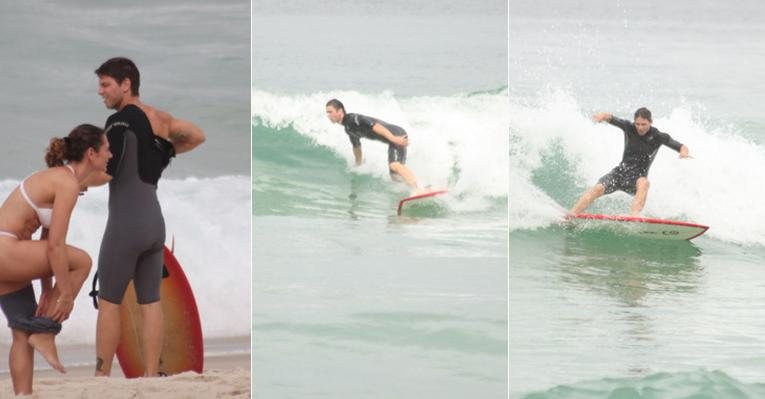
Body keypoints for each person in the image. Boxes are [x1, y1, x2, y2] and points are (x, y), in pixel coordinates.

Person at [91, 57, 205, 377]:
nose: (100, 92)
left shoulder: (119, 121)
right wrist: (165, 151)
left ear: (125, 84)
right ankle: (151, 375)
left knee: (109, 301)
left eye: (105, 85)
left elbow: (107, 171)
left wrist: (76, 181)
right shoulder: (161, 119)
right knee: (150, 301)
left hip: (126, 224)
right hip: (154, 224)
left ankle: (101, 377)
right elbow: (197, 135)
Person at [0, 124, 112, 395]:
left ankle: (23, 395)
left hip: (9, 254)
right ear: (91, 153)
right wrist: (66, 298)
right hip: (7, 250)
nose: (110, 154)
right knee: (82, 261)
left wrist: (49, 290)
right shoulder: (67, 183)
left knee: (22, 330)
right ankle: (48, 332)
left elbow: (44, 243)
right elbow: (55, 247)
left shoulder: (59, 178)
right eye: (107, 148)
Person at [570, 107, 690, 216]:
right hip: (620, 173)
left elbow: (681, 146)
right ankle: (571, 215)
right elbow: (612, 118)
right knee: (597, 188)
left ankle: (634, 217)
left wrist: (684, 152)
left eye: (644, 124)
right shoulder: (629, 127)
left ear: (651, 122)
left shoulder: (658, 136)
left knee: (644, 183)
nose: (640, 127)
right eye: (637, 124)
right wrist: (603, 116)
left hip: (636, 180)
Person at [325, 99, 426, 194]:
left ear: (340, 111)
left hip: (396, 134)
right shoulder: (349, 129)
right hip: (394, 137)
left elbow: (376, 126)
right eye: (327, 113)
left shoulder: (353, 119)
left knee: (394, 165)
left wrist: (394, 139)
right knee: (395, 176)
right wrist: (358, 164)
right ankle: (419, 187)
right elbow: (357, 147)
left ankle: (418, 189)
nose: (328, 115)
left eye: (330, 112)